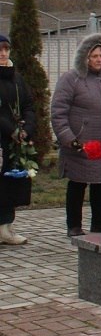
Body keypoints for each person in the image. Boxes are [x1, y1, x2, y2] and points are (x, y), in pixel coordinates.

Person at [50, 33, 101, 237]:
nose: (99, 59)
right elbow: (58, 112)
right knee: (78, 182)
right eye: (94, 56)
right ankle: (74, 225)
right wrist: (69, 139)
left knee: (100, 181)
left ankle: (99, 221)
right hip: (80, 142)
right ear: (85, 57)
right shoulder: (71, 79)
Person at [0, 34, 36, 245]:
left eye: (6, 49)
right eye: (0, 50)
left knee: (11, 185)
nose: (3, 54)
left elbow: (29, 105)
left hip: (15, 142)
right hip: (3, 140)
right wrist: (11, 130)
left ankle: (5, 228)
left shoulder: (17, 79)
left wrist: (26, 128)